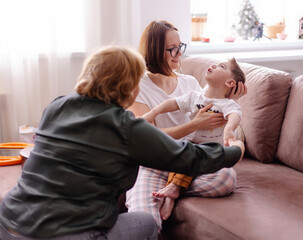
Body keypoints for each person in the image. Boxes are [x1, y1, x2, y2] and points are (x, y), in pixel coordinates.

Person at [0, 46, 245, 240]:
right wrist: (236, 149)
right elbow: (191, 157)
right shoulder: (126, 126)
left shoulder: (57, 106)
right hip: (70, 234)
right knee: (146, 224)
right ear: (128, 85)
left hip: (9, 224)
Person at [125, 20, 247, 230]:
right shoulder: (138, 86)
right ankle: (168, 187)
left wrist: (229, 102)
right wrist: (192, 126)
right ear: (154, 51)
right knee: (143, 221)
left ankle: (174, 188)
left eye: (179, 47)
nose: (178, 53)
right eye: (171, 49)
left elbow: (226, 129)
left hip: (190, 163)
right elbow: (148, 138)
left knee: (226, 177)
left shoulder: (189, 83)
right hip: (154, 164)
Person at [142, 57, 246, 214]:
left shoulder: (228, 104)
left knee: (210, 168)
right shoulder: (195, 97)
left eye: (221, 66)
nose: (214, 65)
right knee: (185, 157)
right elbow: (172, 103)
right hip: (188, 146)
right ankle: (173, 192)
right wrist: (152, 113)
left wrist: (229, 130)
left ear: (230, 83)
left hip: (209, 150)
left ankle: (173, 190)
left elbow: (235, 116)